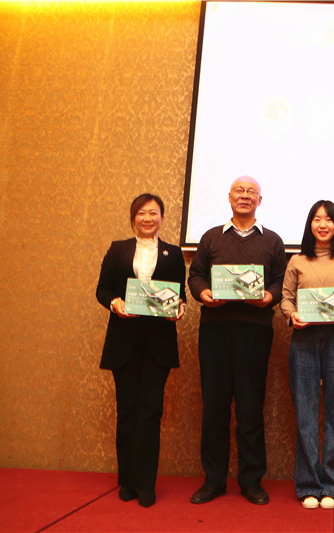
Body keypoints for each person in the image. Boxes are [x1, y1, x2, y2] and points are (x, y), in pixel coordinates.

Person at [188, 176, 287, 506]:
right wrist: (203, 293)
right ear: (229, 197)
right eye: (239, 191)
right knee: (214, 407)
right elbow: (196, 275)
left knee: (250, 407)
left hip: (255, 331)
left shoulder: (272, 240)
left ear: (260, 200)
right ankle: (214, 480)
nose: (245, 196)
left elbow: (280, 280)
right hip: (215, 329)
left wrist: (269, 297)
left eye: (251, 192)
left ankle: (251, 481)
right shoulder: (211, 237)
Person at [95, 193, 187, 508]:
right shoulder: (117, 249)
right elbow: (102, 289)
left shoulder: (173, 253)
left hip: (158, 343)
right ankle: (128, 480)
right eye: (141, 213)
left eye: (153, 213)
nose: (147, 218)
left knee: (151, 411)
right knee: (127, 411)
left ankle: (147, 482)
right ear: (133, 217)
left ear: (162, 217)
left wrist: (180, 308)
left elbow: (179, 295)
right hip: (123, 342)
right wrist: (115, 303)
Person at [280, 200, 334, 510]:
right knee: (305, 414)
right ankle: (308, 485)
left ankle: (333, 485)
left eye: (329, 219)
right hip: (304, 340)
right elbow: (286, 299)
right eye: (317, 219)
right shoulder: (297, 260)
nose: (323, 224)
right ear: (310, 224)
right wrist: (291, 316)